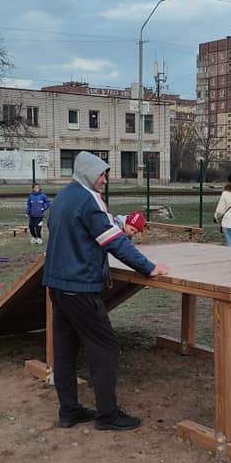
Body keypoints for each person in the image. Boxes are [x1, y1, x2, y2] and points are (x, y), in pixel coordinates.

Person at [43, 151, 169, 431]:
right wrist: (148, 267)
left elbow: (82, 231)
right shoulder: (89, 200)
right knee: (105, 346)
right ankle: (107, 415)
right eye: (101, 174)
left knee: (64, 349)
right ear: (88, 173)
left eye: (105, 175)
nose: (105, 180)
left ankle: (69, 411)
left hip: (56, 284)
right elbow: (114, 242)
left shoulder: (64, 196)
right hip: (80, 286)